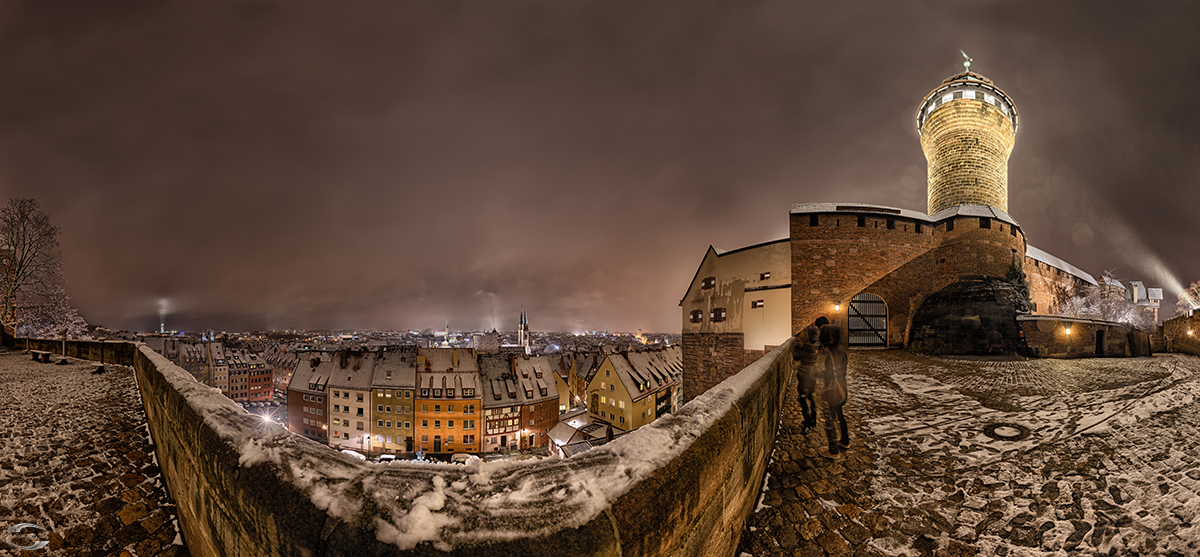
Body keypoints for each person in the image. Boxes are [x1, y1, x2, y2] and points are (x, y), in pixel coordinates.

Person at [818, 324, 850, 460]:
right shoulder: (842, 352)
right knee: (840, 416)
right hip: (843, 388)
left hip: (834, 391)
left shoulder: (829, 358)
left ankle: (833, 450)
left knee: (830, 420)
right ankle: (845, 440)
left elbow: (828, 376)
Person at [791, 326, 820, 433]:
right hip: (813, 372)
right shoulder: (816, 345)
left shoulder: (807, 347)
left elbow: (796, 356)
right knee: (811, 396)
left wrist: (794, 345)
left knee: (803, 398)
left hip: (805, 374)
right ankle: (814, 420)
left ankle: (807, 423)